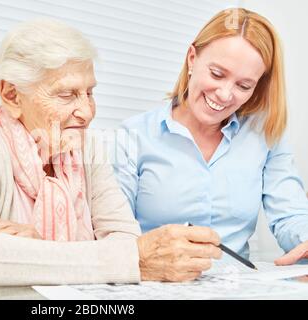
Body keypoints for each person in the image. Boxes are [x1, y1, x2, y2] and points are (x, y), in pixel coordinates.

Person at [0, 19, 222, 286]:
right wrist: (80, 254)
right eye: (66, 95)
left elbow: (126, 241)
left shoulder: (89, 150)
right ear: (12, 95)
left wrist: (33, 251)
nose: (87, 113)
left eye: (89, 93)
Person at [114, 8, 308, 277]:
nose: (225, 94)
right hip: (157, 285)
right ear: (192, 58)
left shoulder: (264, 135)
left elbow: (290, 216)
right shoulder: (132, 137)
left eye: (244, 86)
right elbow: (113, 237)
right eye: (217, 74)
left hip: (237, 288)